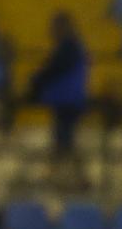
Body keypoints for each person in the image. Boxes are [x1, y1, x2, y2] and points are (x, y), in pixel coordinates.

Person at [28, 13, 90, 174]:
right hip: (70, 99)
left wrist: (35, 83)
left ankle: (68, 174)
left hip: (67, 98)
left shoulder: (69, 47)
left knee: (63, 139)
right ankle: (68, 174)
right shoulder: (73, 46)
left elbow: (52, 70)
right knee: (64, 138)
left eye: (54, 27)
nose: (51, 31)